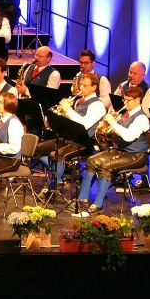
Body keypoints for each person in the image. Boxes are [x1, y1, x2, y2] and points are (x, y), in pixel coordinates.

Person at [76, 82, 150, 214]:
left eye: (128, 100)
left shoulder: (142, 118)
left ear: (138, 100)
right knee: (91, 161)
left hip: (136, 155)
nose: (125, 103)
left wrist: (113, 123)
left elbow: (128, 136)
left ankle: (98, 204)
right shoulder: (125, 114)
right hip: (121, 151)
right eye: (124, 99)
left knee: (106, 167)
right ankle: (82, 199)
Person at [34, 71, 104, 201]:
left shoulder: (98, 105)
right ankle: (58, 177)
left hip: (85, 143)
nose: (81, 88)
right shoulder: (78, 101)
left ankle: (51, 187)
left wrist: (68, 110)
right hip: (69, 138)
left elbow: (84, 124)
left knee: (57, 155)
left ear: (94, 87)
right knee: (37, 149)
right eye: (80, 84)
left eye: (85, 85)